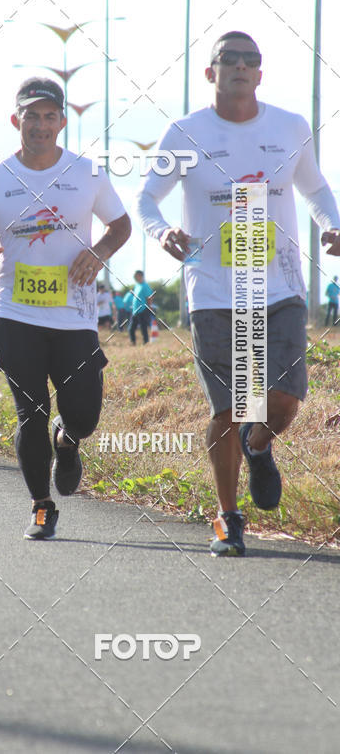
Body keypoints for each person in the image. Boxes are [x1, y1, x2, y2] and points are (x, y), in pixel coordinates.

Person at [137, 31, 340, 556]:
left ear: (261, 72)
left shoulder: (290, 127)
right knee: (228, 408)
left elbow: (314, 187)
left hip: (280, 286)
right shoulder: (184, 133)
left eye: (252, 60)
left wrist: (332, 223)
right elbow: (146, 200)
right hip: (213, 291)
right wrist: (162, 233)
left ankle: (259, 444)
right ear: (211, 72)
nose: (242, 67)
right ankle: (228, 518)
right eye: (231, 59)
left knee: (284, 400)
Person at [0, 77, 131, 539]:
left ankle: (69, 439)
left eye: (48, 116)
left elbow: (121, 225)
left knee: (85, 413)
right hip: (14, 315)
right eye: (30, 116)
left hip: (74, 316)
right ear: (16, 121)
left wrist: (98, 253)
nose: (39, 124)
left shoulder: (87, 173)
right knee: (29, 412)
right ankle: (40, 506)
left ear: (61, 122)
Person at [128, 269, 155, 346]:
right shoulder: (137, 286)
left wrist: (149, 307)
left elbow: (149, 297)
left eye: (136, 276)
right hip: (135, 311)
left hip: (143, 310)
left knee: (143, 328)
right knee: (131, 329)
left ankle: (146, 343)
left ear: (140, 276)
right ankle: (132, 342)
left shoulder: (145, 286)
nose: (134, 277)